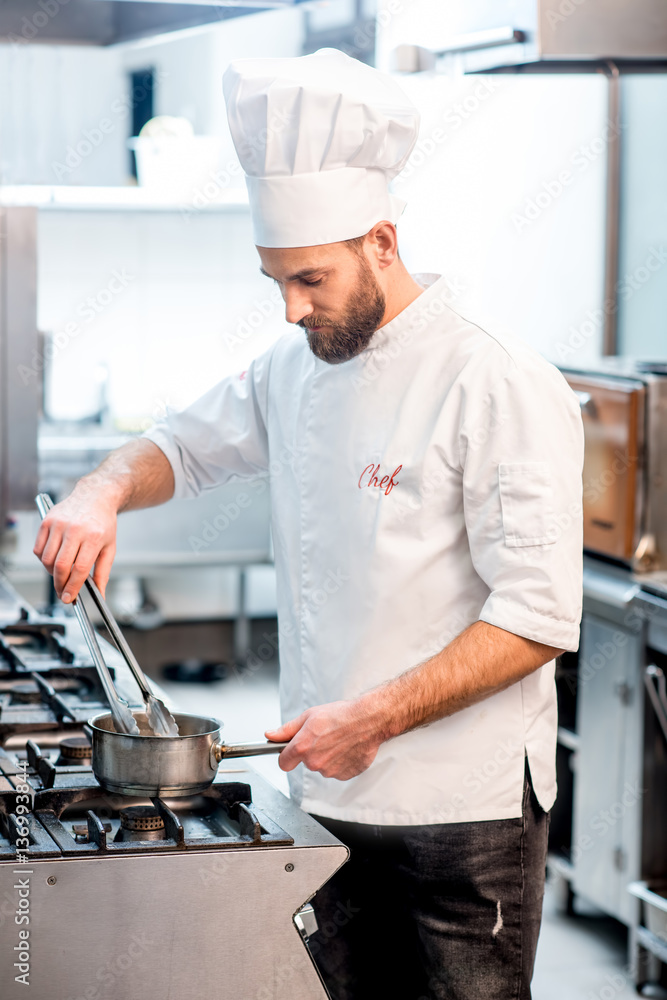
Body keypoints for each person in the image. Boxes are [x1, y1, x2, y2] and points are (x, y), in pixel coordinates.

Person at [34, 48, 584, 1000]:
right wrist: (102, 489)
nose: (289, 308)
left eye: (310, 280)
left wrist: (373, 716)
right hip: (327, 798)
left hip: (463, 818)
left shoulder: (494, 380)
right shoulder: (296, 369)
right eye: (274, 280)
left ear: (380, 239)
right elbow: (181, 445)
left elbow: (537, 617)